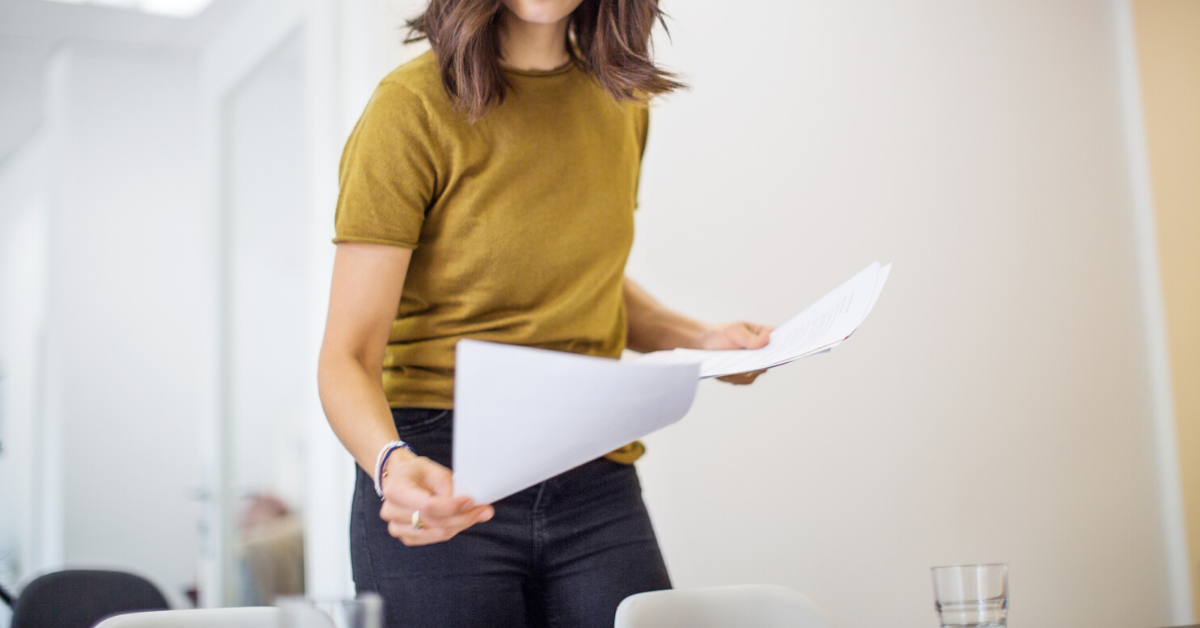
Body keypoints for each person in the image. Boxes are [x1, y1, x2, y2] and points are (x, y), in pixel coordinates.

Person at [317, 0, 772, 626]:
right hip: (441, 467)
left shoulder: (623, 103)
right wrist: (390, 463)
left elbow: (579, 279)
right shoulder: (409, 107)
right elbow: (347, 357)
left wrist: (700, 337)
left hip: (593, 470)